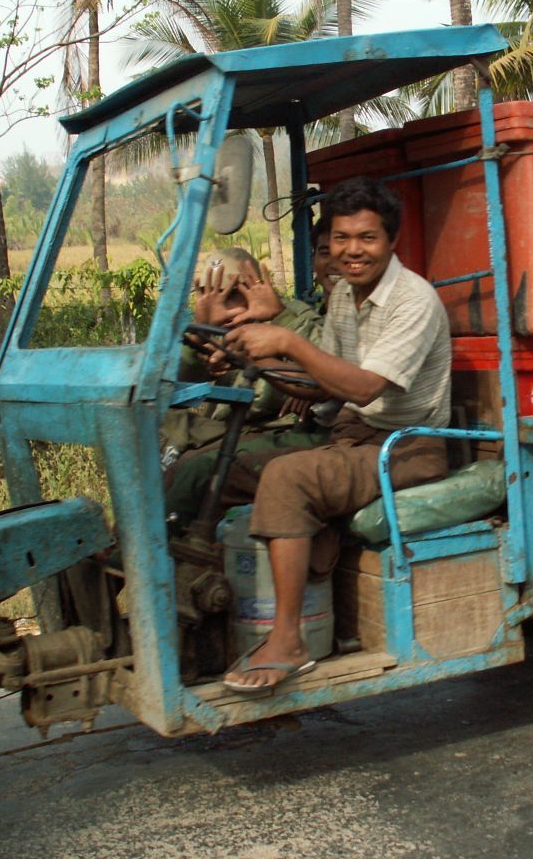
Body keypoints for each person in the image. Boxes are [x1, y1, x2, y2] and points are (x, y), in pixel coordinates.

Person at [221, 176, 451, 693]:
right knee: (223, 468)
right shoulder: (345, 296)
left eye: (366, 238)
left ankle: (288, 641)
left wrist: (286, 340)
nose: (352, 251)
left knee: (286, 477)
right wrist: (253, 355)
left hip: (406, 446)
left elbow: (366, 387)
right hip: (353, 434)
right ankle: (222, 606)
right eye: (342, 238)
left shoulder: (414, 300)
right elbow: (323, 381)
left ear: (391, 242)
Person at [162, 247, 330, 526]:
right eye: (208, 294)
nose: (225, 307)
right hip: (226, 428)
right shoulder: (214, 328)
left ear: (255, 287)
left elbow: (320, 376)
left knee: (194, 472)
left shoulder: (293, 319)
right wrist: (201, 337)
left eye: (233, 294)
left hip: (275, 430)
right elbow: (173, 393)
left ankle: (160, 552)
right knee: (149, 435)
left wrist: (277, 321)